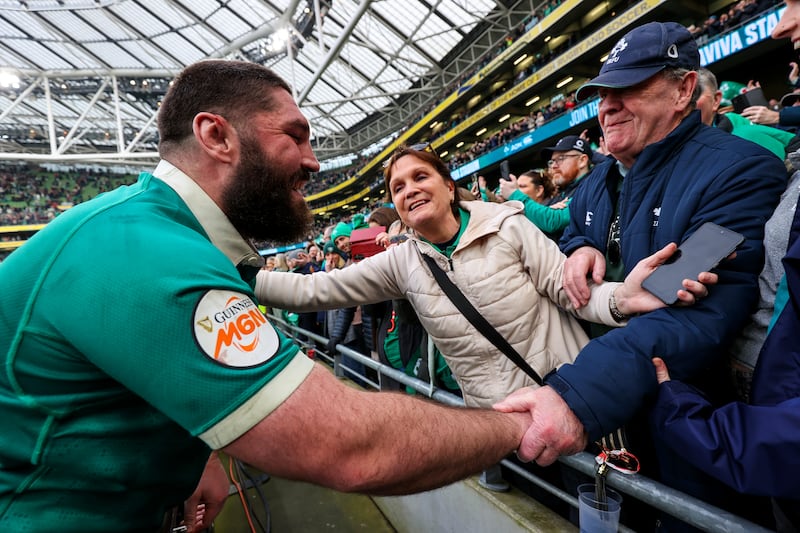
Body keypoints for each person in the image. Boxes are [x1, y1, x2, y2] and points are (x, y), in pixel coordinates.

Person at [0, 59, 541, 532]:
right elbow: (349, 447)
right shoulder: (147, 252)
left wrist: (197, 455)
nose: (314, 161)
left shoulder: (159, 235)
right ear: (217, 136)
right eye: (295, 136)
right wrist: (519, 423)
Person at [493, 21, 787, 530]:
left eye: (628, 88)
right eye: (603, 93)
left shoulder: (738, 170)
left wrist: (577, 395)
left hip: (687, 425)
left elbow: (688, 313)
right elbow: (578, 230)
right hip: (611, 424)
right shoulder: (596, 182)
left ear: (683, 89)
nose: (607, 105)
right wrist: (580, 245)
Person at [255, 144, 713, 411]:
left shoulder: (506, 224)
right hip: (497, 426)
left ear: (448, 186)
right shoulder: (401, 261)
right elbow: (312, 290)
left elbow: (570, 290)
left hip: (569, 403)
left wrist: (622, 299)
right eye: (398, 187)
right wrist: (232, 272)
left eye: (420, 177)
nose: (410, 189)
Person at [499, 135, 592, 239]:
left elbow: (553, 221)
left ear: (582, 161)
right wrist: (547, 210)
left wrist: (514, 194)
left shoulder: (592, 186)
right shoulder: (565, 192)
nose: (553, 166)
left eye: (561, 159)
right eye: (552, 161)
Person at [695, 67, 794, 159]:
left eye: (694, 96)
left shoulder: (746, 133)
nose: (682, 102)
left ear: (716, 100)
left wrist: (778, 116)